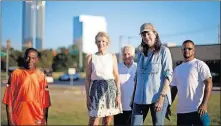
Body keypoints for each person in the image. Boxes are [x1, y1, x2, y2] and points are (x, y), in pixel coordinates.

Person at [130, 23, 173, 125]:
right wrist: (133, 98)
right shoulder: (140, 53)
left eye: (148, 33)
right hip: (139, 97)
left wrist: (162, 97)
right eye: (143, 35)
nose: (146, 37)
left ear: (155, 33)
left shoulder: (164, 51)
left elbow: (168, 75)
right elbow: (137, 77)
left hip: (157, 97)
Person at [2, 48, 51, 125]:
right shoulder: (15, 74)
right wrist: (10, 122)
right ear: (24, 58)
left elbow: (45, 102)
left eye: (33, 58)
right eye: (28, 57)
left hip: (37, 120)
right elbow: (9, 100)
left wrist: (44, 121)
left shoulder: (41, 76)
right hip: (19, 119)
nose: (29, 60)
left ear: (37, 59)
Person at [170, 40, 213, 125]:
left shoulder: (200, 64)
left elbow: (209, 83)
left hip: (198, 110)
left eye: (189, 48)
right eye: (184, 48)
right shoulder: (177, 69)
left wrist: (204, 104)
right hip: (181, 112)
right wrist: (168, 106)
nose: (186, 50)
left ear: (194, 50)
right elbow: (174, 89)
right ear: (182, 50)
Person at [85, 32, 122, 126]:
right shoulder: (90, 57)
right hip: (95, 90)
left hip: (110, 90)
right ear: (96, 43)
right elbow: (87, 78)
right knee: (93, 120)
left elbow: (116, 76)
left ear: (107, 43)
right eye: (98, 41)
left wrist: (118, 95)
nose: (101, 43)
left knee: (106, 121)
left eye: (103, 41)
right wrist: (87, 97)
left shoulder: (113, 57)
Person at [114, 45, 137, 125]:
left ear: (133, 55)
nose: (126, 56)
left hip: (134, 107)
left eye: (129, 54)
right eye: (124, 54)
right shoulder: (116, 67)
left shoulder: (138, 67)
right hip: (119, 107)